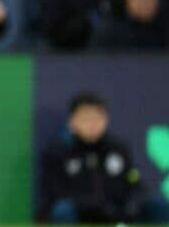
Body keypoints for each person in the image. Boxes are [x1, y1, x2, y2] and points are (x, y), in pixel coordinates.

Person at [41, 92, 146, 223]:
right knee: (62, 209)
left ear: (106, 119)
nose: (92, 124)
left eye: (97, 118)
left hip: (117, 211)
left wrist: (132, 205)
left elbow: (134, 182)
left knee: (157, 207)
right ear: (72, 121)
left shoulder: (118, 149)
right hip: (81, 213)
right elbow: (54, 193)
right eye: (86, 118)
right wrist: (95, 206)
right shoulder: (58, 152)